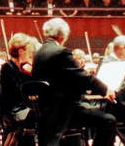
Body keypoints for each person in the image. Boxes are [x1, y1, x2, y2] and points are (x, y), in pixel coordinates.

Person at [30, 17, 116, 146]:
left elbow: (64, 77)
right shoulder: (60, 52)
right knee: (109, 121)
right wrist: (105, 89)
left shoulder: (39, 53)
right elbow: (81, 75)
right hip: (63, 110)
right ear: (64, 35)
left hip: (46, 110)